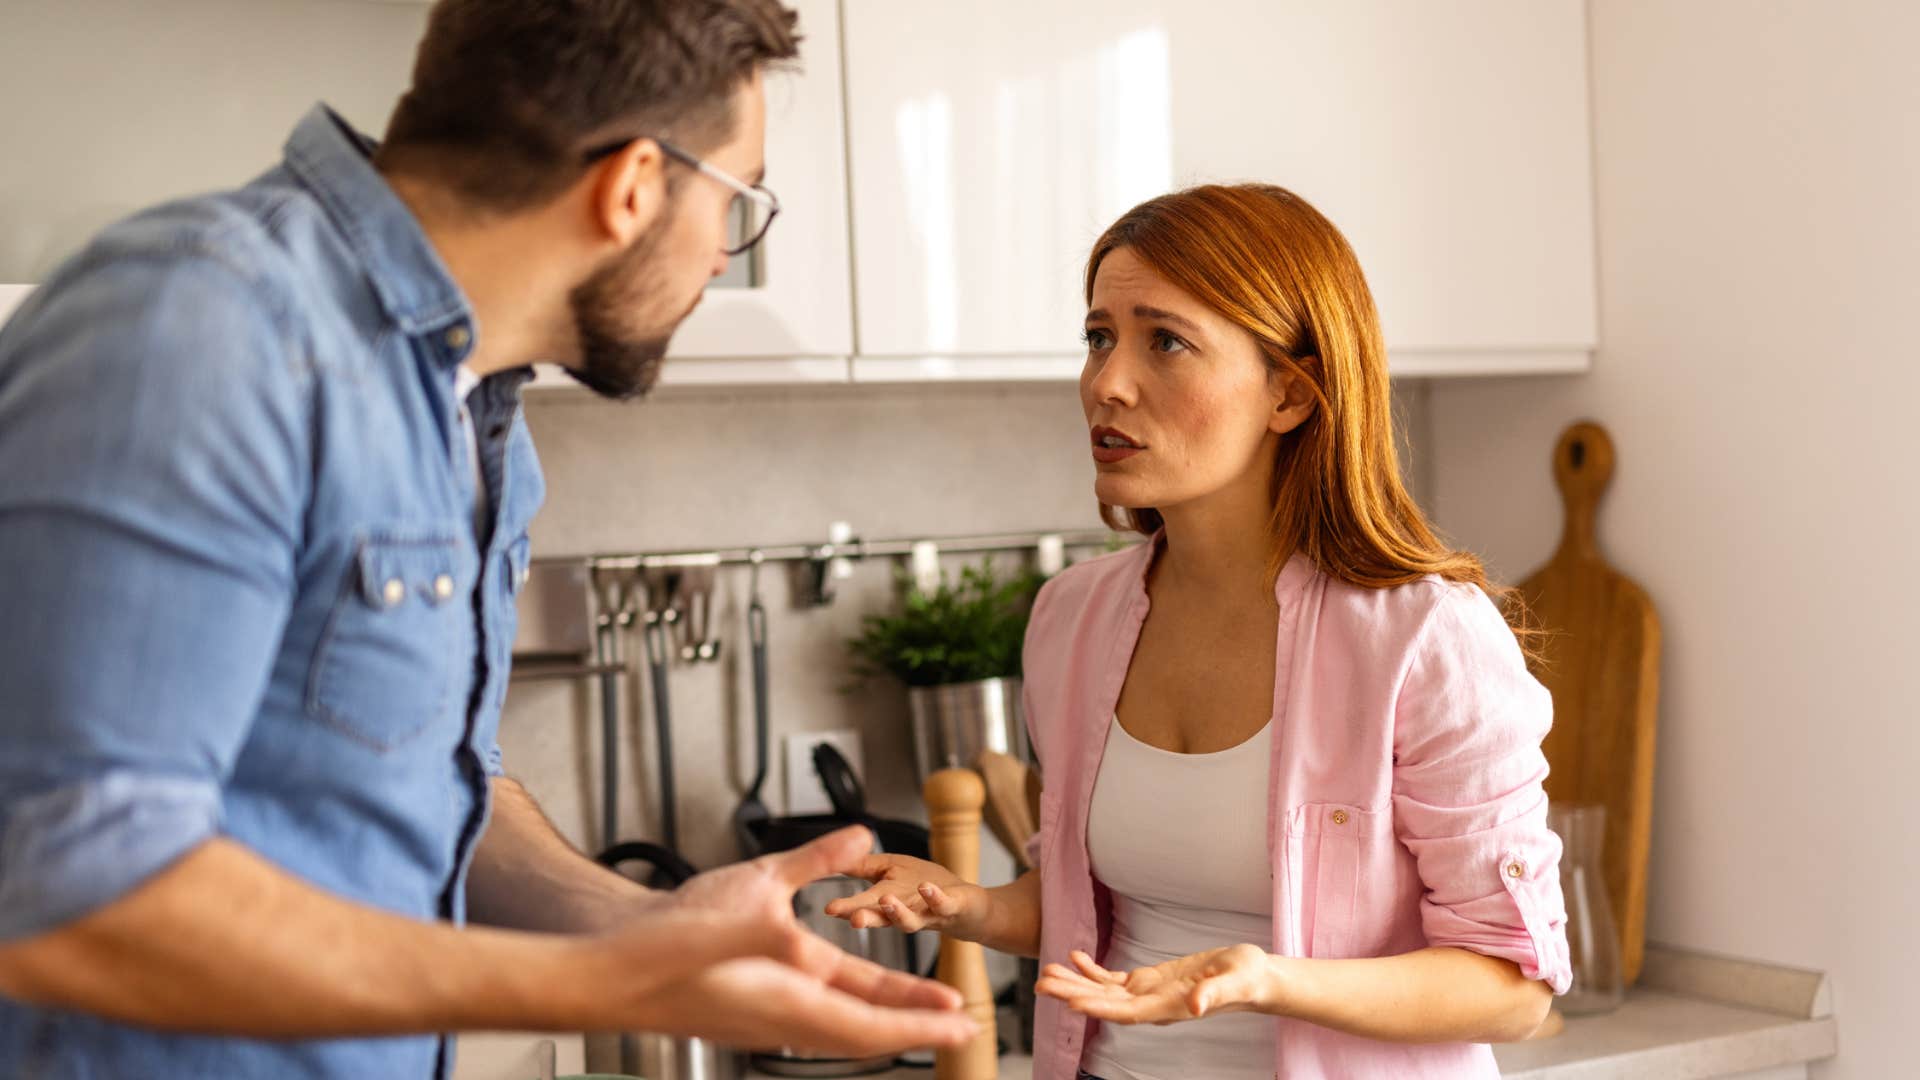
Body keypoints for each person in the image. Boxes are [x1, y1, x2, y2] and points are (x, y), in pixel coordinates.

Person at [0, 1, 973, 1075]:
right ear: (632, 187)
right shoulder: (204, 327)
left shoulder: (476, 421)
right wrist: (605, 985)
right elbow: (66, 887)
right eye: (734, 202)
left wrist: (654, 928)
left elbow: (435, 784)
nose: (716, 259)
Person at [826, 184, 1571, 1079]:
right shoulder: (1072, 619)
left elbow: (1513, 988)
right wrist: (968, 906)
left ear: (1290, 394)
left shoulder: (1423, 638)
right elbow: (1090, 908)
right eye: (1098, 337)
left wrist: (1269, 981)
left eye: (1166, 342)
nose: (1107, 383)